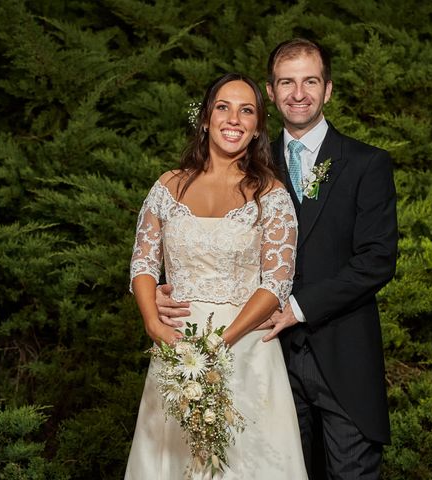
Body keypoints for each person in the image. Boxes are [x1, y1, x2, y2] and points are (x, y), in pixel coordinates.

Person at [157, 39, 398, 479]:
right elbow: (196, 236)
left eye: (310, 81)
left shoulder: (367, 163)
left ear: (328, 90)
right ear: (271, 92)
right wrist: (167, 286)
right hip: (262, 357)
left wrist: (299, 308)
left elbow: (378, 259)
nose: (298, 92)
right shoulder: (246, 167)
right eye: (287, 82)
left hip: (341, 356)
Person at [125, 73, 308, 479]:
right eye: (223, 107)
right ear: (206, 118)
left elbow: (276, 283)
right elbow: (142, 263)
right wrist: (153, 322)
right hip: (177, 349)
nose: (234, 119)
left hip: (245, 350)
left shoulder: (271, 195)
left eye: (247, 111)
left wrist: (218, 345)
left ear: (258, 126)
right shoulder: (168, 186)